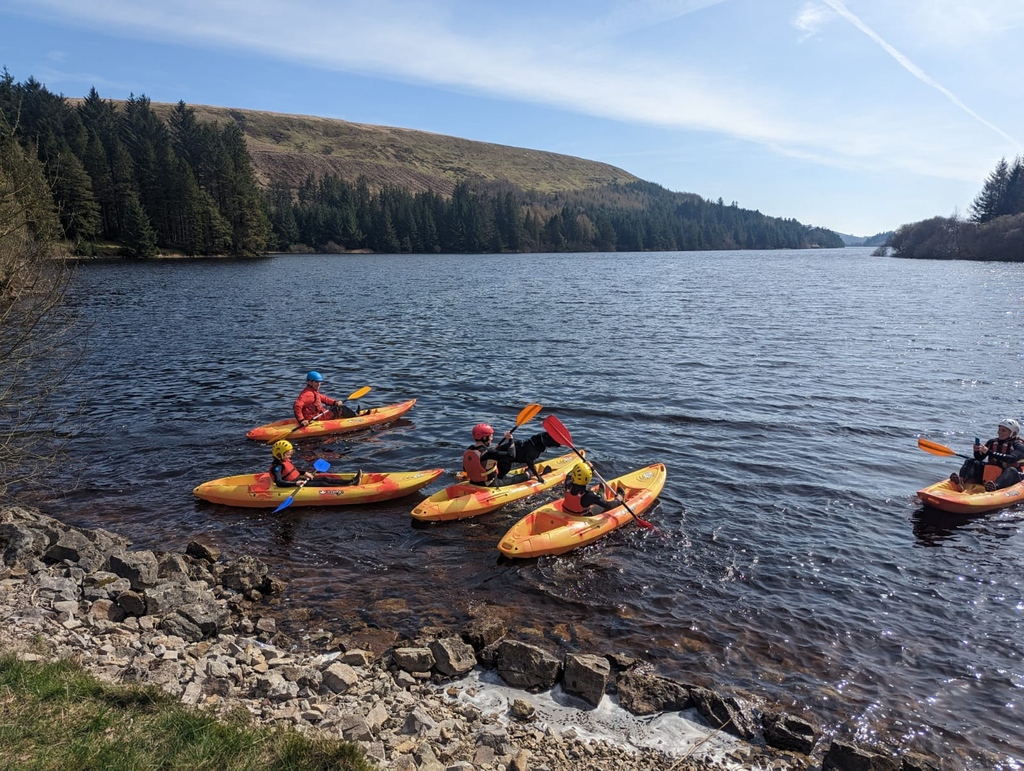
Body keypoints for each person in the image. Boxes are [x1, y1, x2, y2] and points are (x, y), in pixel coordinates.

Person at [950, 418, 1024, 492]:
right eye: (999, 429)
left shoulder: (1019, 445)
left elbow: (1012, 458)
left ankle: (995, 487)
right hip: (991, 474)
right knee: (971, 461)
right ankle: (961, 480)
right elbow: (979, 458)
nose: (999, 432)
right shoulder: (992, 442)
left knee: (1011, 470)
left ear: (1013, 433)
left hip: (1011, 477)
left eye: (1003, 430)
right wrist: (977, 451)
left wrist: (989, 452)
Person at [269, 440, 361, 487]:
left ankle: (350, 481)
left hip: (299, 479)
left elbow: (293, 470)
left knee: (324, 478)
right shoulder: (277, 467)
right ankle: (348, 486)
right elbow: (279, 482)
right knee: (323, 484)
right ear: (279, 454)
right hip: (294, 484)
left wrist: (304, 473)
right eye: (287, 454)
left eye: (290, 453)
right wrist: (295, 484)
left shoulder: (284, 461)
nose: (289, 456)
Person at [495, 430, 560, 481]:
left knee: (505, 469)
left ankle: (528, 472)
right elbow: (529, 461)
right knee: (504, 470)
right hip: (504, 457)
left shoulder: (535, 444)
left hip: (504, 454)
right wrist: (538, 476)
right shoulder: (532, 448)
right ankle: (526, 475)